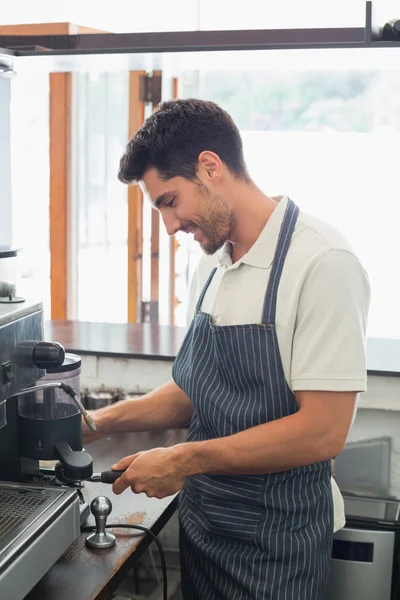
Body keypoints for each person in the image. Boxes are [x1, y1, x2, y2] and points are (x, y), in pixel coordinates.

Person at [83, 99, 370, 599]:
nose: (170, 227)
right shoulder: (211, 264)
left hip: (277, 544)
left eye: (170, 202)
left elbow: (323, 432)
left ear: (210, 168)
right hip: (205, 528)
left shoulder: (323, 262)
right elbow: (196, 391)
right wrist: (95, 424)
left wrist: (181, 460)